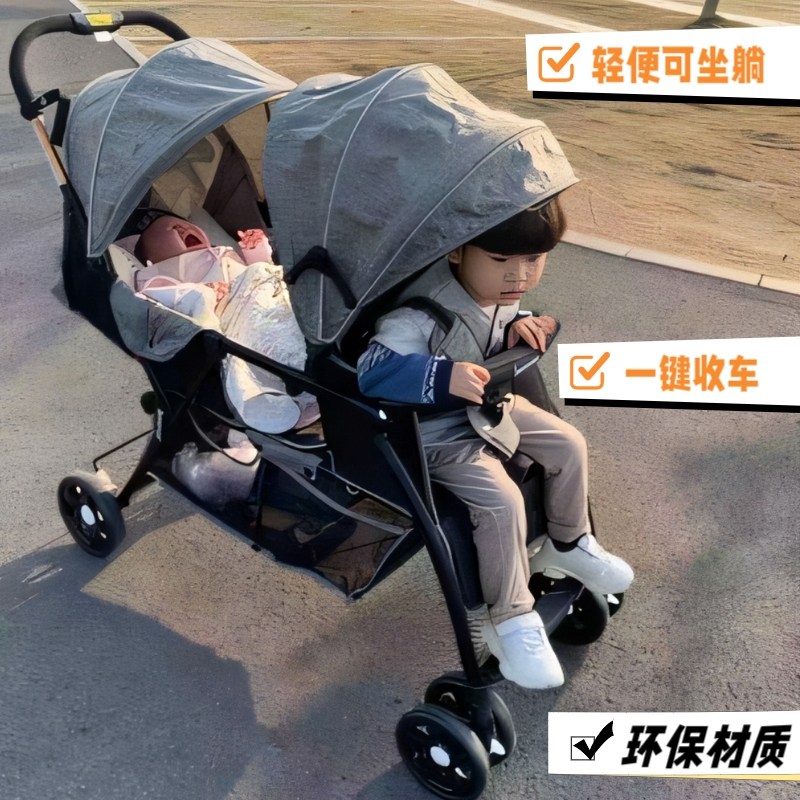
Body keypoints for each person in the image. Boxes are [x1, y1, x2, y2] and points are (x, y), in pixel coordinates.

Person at [356, 197, 633, 689]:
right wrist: (439, 376)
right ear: (457, 251)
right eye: (502, 259)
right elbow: (373, 372)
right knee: (502, 501)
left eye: (534, 260)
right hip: (436, 434)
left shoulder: (498, 295)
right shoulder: (422, 313)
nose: (518, 275)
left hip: (490, 408)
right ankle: (511, 618)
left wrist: (529, 325)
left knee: (568, 443)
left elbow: (509, 326)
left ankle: (568, 542)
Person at [133, 214, 319, 432]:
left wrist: (258, 253)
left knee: (278, 292)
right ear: (156, 258)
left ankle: (308, 362)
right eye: (169, 231)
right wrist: (208, 296)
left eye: (183, 225)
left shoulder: (224, 255)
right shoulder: (167, 283)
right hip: (240, 316)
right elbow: (192, 308)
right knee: (271, 336)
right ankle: (298, 370)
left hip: (269, 292)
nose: (182, 229)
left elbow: (264, 275)